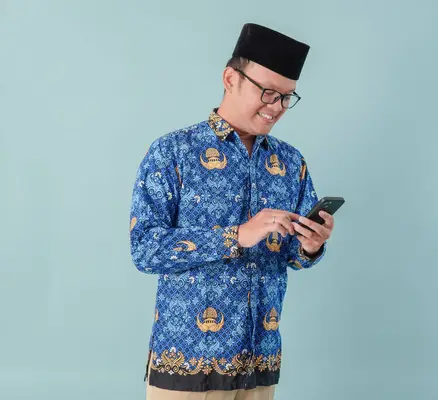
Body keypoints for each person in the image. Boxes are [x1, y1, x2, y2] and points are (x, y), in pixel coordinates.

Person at [129, 23, 335, 400]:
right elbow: (145, 249)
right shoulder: (172, 153)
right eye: (268, 92)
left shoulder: (290, 162)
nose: (276, 107)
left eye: (287, 97)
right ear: (230, 78)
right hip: (187, 365)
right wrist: (237, 235)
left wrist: (311, 246)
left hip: (260, 364)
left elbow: (293, 257)